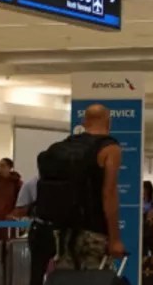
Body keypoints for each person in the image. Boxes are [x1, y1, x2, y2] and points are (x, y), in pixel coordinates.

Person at [48, 105, 127, 270]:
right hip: (94, 231)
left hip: (64, 232)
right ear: (108, 122)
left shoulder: (64, 147)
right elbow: (109, 193)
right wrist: (115, 239)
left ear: (84, 122)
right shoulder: (109, 149)